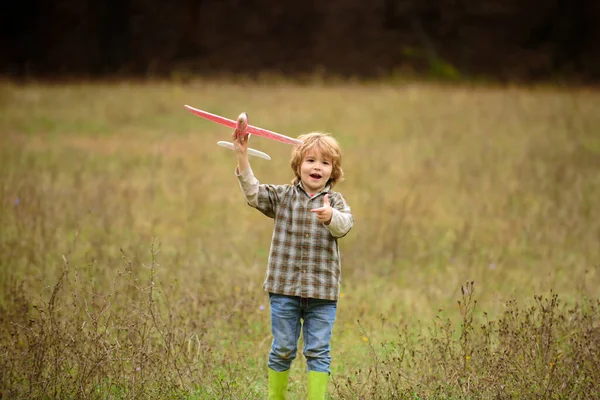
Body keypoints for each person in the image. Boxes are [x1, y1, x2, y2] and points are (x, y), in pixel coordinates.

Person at [233, 128, 354, 400]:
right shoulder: (283, 196)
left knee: (318, 351)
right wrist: (242, 156)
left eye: (325, 162)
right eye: (310, 160)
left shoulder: (335, 201)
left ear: (333, 170)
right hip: (284, 289)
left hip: (322, 293)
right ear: (298, 165)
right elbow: (253, 193)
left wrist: (330, 216)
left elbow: (345, 225)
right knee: (283, 348)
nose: (317, 167)